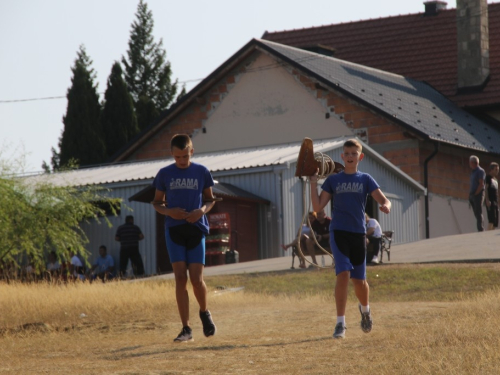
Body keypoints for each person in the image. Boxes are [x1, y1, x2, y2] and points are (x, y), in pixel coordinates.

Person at [310, 138, 391, 339]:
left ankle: (365, 310)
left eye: (354, 154)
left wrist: (386, 206)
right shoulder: (333, 180)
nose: (350, 157)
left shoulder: (365, 179)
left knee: (359, 281)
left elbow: (383, 199)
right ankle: (340, 323)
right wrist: (313, 182)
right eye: (347, 153)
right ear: (342, 156)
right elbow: (318, 207)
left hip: (358, 233)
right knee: (343, 274)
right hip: (339, 232)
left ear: (360, 157)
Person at [152, 134, 217, 343]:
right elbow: (156, 203)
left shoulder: (202, 171)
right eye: (178, 157)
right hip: (174, 230)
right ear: (172, 154)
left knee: (197, 279)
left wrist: (201, 211)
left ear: (192, 151)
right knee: (180, 277)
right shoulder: (164, 174)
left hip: (196, 228)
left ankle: (205, 312)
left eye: (185, 156)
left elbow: (210, 199)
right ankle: (186, 328)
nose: (182, 160)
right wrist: (170, 212)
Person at [469, 155, 486, 232]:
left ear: (472, 162)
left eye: (470, 163)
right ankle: (479, 228)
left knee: (478, 212)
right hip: (472, 194)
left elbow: (481, 184)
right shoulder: (473, 171)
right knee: (476, 212)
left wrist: (476, 193)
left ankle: (481, 229)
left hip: (478, 194)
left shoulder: (480, 171)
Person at [485, 162, 499, 231]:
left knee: (495, 222)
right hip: (490, 201)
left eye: (498, 170)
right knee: (491, 219)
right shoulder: (488, 178)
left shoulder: (496, 180)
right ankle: (487, 235)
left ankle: (491, 233)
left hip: (496, 202)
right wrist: (487, 199)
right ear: (491, 170)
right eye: (496, 170)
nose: (497, 171)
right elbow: (486, 189)